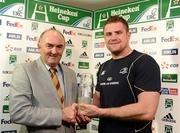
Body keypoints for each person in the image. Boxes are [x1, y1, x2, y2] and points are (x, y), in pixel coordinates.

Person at [78, 16, 161, 133]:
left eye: (118, 33)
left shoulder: (144, 62)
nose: (113, 38)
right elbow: (97, 103)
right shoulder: (103, 66)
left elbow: (147, 111)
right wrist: (81, 110)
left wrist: (101, 112)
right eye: (108, 34)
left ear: (128, 35)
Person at [9, 27, 87, 133]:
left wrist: (79, 115)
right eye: (49, 46)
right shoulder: (24, 70)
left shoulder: (71, 73)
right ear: (39, 46)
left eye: (59, 47)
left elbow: (71, 109)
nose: (54, 52)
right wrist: (61, 115)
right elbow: (18, 113)